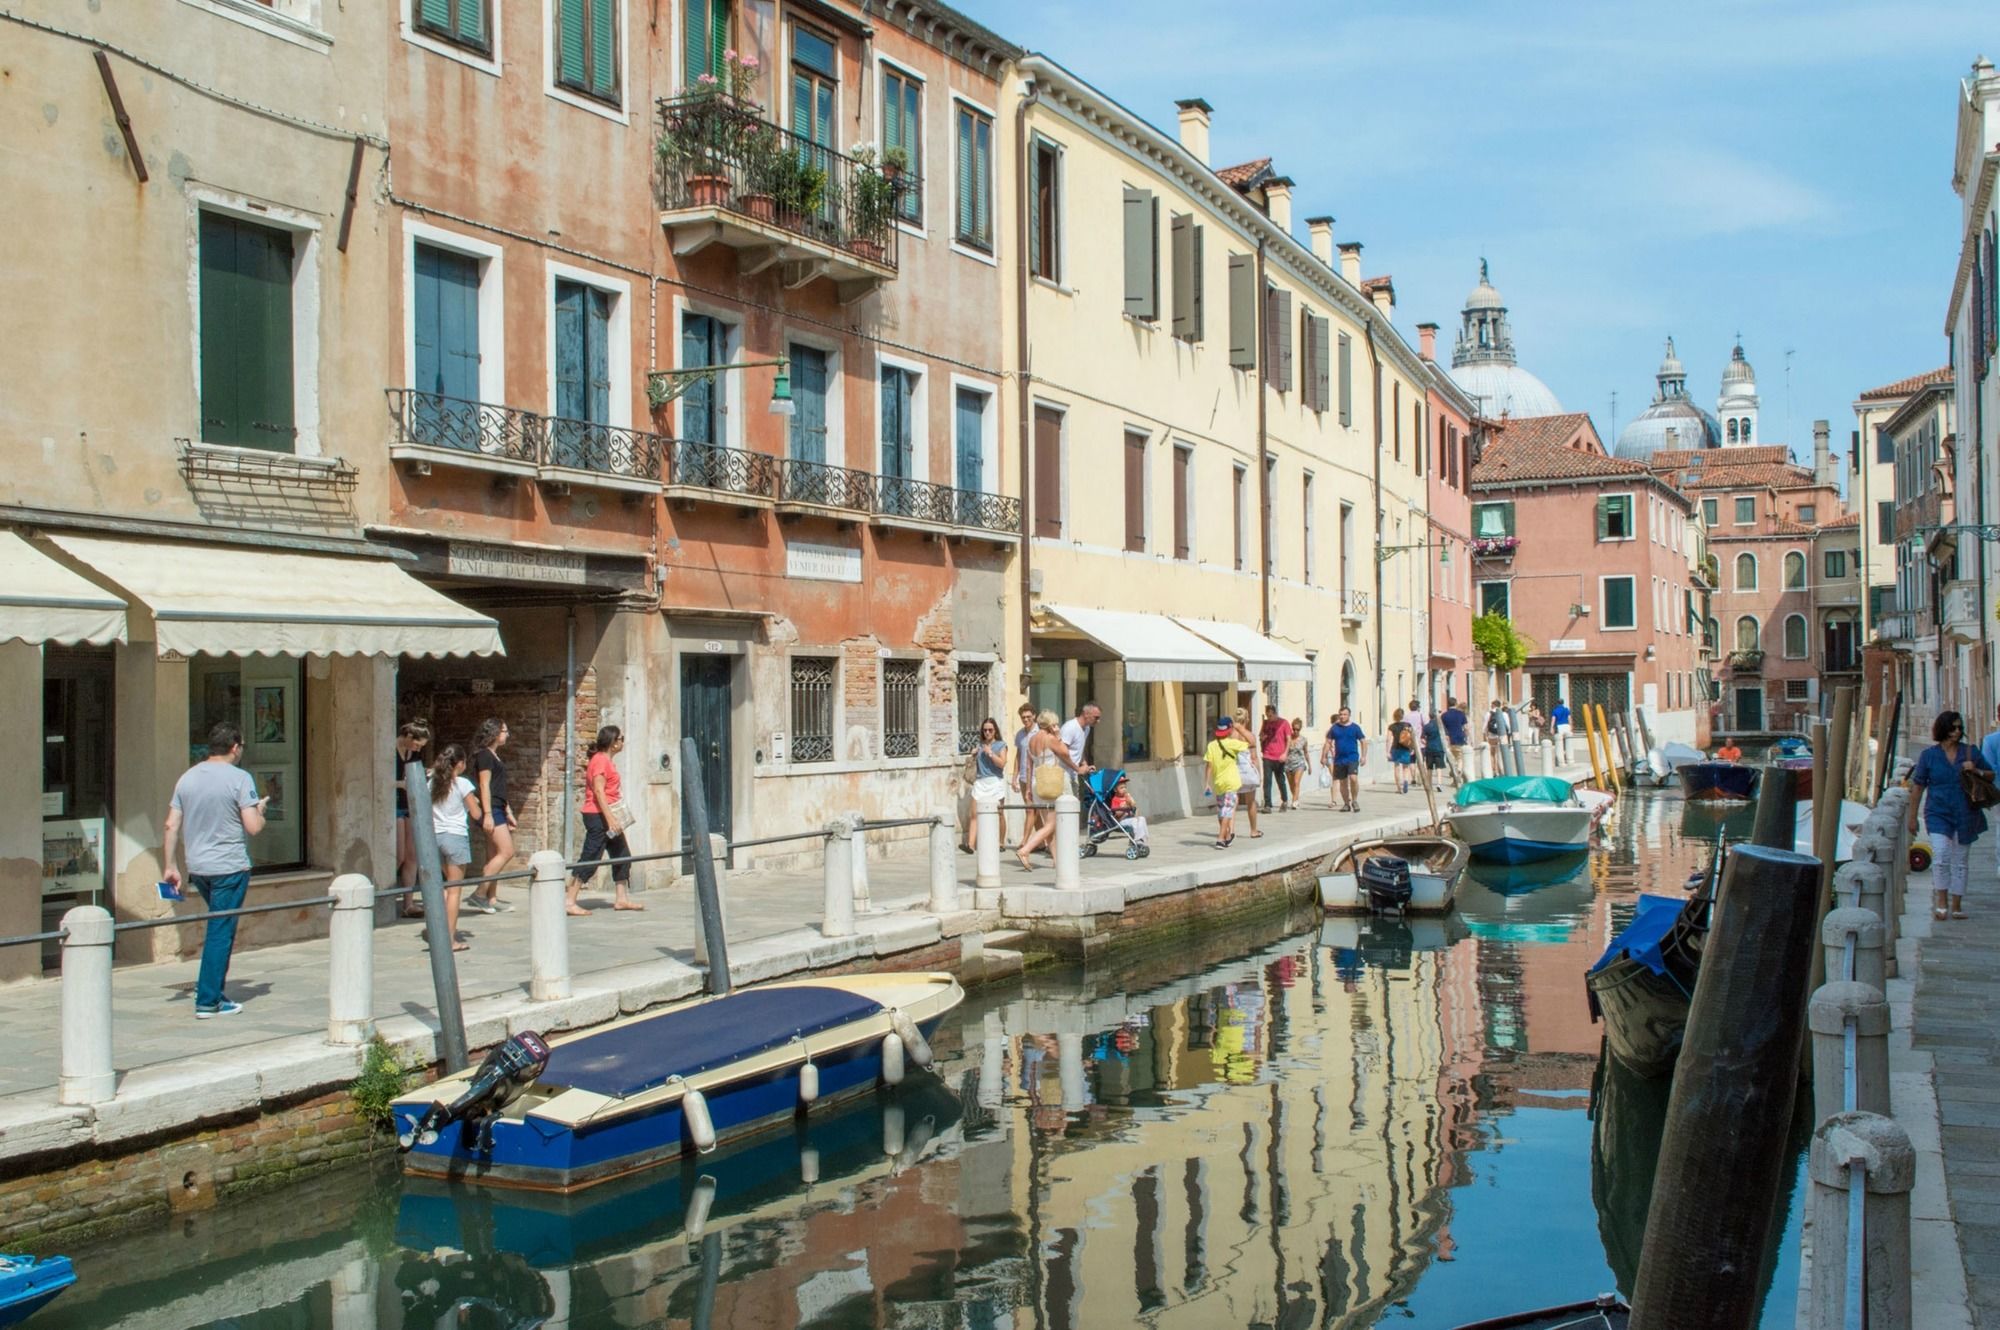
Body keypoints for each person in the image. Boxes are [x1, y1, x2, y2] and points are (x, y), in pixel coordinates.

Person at [162, 723, 268, 1019]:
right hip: (230, 866)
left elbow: (171, 824)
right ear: (235, 747)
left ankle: (214, 991)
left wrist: (171, 865)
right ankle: (208, 1000)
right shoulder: (240, 778)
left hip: (199, 868)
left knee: (221, 927)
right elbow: (253, 827)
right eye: (242, 746)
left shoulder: (187, 778)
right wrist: (260, 811)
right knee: (220, 931)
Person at [1908, 710, 1990, 921]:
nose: (1957, 731)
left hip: (1966, 812)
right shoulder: (1929, 756)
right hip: (1937, 812)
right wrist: (1911, 817)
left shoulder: (1970, 752)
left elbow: (1991, 774)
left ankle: (1957, 905)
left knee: (1961, 860)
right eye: (1953, 727)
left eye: (1960, 728)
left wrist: (1976, 770)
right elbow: (1918, 787)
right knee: (1942, 855)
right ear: (1943, 728)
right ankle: (1941, 902)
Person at [568, 725, 642, 915]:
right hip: (597, 816)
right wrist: (610, 819)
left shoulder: (606, 761)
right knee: (590, 857)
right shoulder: (600, 761)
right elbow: (599, 792)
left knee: (622, 854)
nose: (623, 742)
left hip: (607, 815)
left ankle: (621, 898)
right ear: (613, 742)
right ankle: (569, 900)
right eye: (621, 738)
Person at [429, 745, 481, 951]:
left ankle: (438, 931)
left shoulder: (431, 782)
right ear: (459, 764)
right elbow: (476, 814)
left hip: (434, 837)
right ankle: (449, 939)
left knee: (441, 888)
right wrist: (475, 802)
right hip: (455, 837)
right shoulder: (462, 783)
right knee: (454, 890)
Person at [1016, 711, 1084, 869]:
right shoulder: (1051, 739)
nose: (1056, 726)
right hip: (1052, 782)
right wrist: (1058, 736)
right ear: (1050, 724)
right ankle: (1025, 849)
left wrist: (1027, 790)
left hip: (1037, 782)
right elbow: (1065, 753)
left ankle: (1056, 861)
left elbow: (1028, 764)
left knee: (1048, 823)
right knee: (1051, 825)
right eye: (1054, 724)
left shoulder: (1031, 740)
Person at [467, 718, 517, 913]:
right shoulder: (485, 756)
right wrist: (487, 814)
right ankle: (479, 893)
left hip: (499, 808)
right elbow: (484, 785)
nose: (507, 734)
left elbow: (499, 787)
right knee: (506, 851)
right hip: (491, 810)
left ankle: (492, 898)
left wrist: (509, 811)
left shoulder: (494, 755)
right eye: (504, 731)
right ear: (495, 733)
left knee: (493, 855)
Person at [392, 719, 431, 919]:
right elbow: (379, 778)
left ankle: (409, 903)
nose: (417, 749)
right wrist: (400, 784)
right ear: (407, 736)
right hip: (393, 805)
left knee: (412, 855)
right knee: (398, 855)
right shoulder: (389, 750)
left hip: (409, 804)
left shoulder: (412, 754)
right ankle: (384, 895)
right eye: (416, 744)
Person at [965, 717, 1010, 856]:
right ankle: (971, 845)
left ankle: (1001, 842)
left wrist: (990, 753)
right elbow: (974, 764)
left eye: (990, 730)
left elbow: (1002, 763)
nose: (987, 732)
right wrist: (973, 755)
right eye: (985, 730)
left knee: (1000, 813)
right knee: (974, 814)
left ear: (995, 730)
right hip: (980, 781)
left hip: (995, 781)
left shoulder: (1001, 745)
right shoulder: (979, 745)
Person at [1203, 719, 1248, 848]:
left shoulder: (1212, 745)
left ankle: (1227, 835)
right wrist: (1240, 730)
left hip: (1218, 783)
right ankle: (1220, 838)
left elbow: (1209, 766)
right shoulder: (1233, 743)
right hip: (1231, 783)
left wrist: (1206, 783)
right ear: (1229, 730)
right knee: (1227, 810)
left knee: (1221, 810)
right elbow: (1251, 742)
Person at [1323, 708, 1368, 812]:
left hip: (1352, 757)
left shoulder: (1355, 728)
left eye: (1344, 714)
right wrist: (1324, 756)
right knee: (1343, 782)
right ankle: (1346, 804)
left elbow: (1363, 741)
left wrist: (1364, 756)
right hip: (1339, 759)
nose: (1342, 716)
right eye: (1341, 714)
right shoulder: (1334, 728)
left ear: (1349, 715)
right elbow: (1328, 742)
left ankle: (1355, 800)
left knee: (1353, 778)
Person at [1231, 709, 1262, 837]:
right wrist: (1259, 775)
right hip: (1247, 771)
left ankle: (1231, 830)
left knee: (1233, 801)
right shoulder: (1249, 735)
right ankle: (1253, 830)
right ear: (1247, 719)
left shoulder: (1230, 735)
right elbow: (1254, 757)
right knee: (1251, 801)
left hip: (1233, 770)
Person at [1012, 702, 1040, 849]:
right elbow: (1018, 755)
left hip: (1037, 776)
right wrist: (1014, 777)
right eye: (1023, 717)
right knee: (1032, 809)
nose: (1026, 720)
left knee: (1031, 809)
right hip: (1023, 776)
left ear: (1034, 716)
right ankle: (1043, 842)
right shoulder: (1020, 734)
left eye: (1028, 717)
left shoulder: (1040, 732)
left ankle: (1025, 842)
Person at [1259, 707, 1293, 812]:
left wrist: (1285, 753)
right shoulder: (1265, 723)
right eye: (1267, 715)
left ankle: (1284, 800)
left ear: (1275, 713)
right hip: (1267, 755)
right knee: (1267, 780)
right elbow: (1261, 736)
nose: (1269, 718)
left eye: (1270, 715)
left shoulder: (1284, 723)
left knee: (1280, 779)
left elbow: (1288, 739)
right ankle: (1268, 805)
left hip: (1279, 756)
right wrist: (1262, 738)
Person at [1107, 774, 1149, 848]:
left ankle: (1142, 838)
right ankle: (1137, 839)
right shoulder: (1115, 799)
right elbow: (1117, 814)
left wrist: (1133, 805)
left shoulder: (1127, 797)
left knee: (1142, 819)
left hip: (1130, 819)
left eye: (1125, 787)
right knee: (1135, 822)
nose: (1124, 789)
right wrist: (1126, 806)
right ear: (1115, 790)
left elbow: (1135, 808)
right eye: (1121, 788)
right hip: (1121, 821)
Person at [1059, 702, 1100, 777]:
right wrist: (1077, 769)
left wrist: (1085, 765)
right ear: (1086, 714)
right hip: (1063, 774)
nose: (1098, 721)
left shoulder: (1087, 728)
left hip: (1073, 774)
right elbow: (1062, 753)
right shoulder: (1070, 727)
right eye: (1096, 717)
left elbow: (1079, 750)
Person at [1441, 696, 1471, 786]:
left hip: (1449, 740)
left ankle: (1455, 779)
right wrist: (1467, 738)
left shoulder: (1444, 715)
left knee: (1452, 759)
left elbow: (1442, 729)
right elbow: (1466, 728)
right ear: (1455, 703)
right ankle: (1458, 772)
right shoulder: (1461, 714)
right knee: (1460, 758)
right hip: (1460, 738)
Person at [1388, 707, 1416, 794]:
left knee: (1396, 768)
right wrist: (1412, 748)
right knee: (1406, 767)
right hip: (1406, 748)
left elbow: (1389, 739)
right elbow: (1412, 737)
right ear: (1403, 716)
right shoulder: (1408, 725)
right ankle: (1406, 781)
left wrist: (1388, 751)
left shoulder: (1391, 727)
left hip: (1395, 748)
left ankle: (1399, 788)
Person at [1284, 717, 1311, 808]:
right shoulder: (1288, 738)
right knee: (1291, 784)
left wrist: (1309, 765)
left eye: (1297, 729)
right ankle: (1296, 798)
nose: (1295, 731)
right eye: (1294, 729)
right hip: (1288, 763)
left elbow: (1306, 752)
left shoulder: (1303, 739)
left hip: (1299, 763)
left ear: (1300, 729)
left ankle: (1294, 802)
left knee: (1296, 782)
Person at [1422, 712, 1448, 792]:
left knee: (1429, 768)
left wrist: (1427, 743)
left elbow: (1422, 739)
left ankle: (1429, 785)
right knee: (1439, 767)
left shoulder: (1426, 726)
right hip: (1439, 748)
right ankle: (1439, 784)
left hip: (1429, 748)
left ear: (1429, 717)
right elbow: (1446, 737)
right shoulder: (1440, 726)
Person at [1485, 700, 1511, 774]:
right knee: (1500, 753)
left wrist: (1484, 734)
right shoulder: (1504, 714)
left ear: (1493, 705)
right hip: (1502, 736)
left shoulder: (1489, 713)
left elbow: (1485, 725)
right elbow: (1508, 726)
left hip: (1491, 736)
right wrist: (1508, 735)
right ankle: (1501, 770)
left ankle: (1494, 771)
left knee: (1492, 754)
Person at [1551, 697, 1573, 764]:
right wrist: (1571, 726)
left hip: (1559, 726)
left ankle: (1561, 756)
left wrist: (1551, 727)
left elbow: (1553, 719)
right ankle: (1568, 755)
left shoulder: (1555, 710)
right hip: (1567, 726)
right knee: (1567, 741)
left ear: (1557, 703)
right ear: (1563, 703)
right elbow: (1569, 718)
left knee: (1560, 741)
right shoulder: (1566, 710)